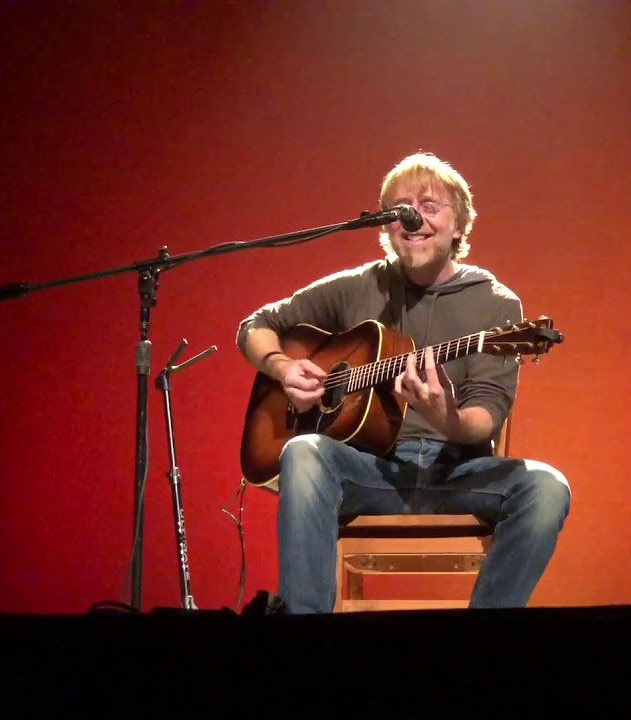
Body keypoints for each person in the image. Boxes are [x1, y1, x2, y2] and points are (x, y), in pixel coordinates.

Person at [235, 151, 571, 614]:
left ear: (460, 225)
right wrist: (282, 366)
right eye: (400, 209)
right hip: (368, 472)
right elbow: (257, 324)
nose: (414, 218)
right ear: (386, 225)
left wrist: (444, 417)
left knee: (547, 487)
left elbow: (486, 417)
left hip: (455, 475)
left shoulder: (497, 305)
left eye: (429, 206)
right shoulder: (359, 286)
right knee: (302, 450)